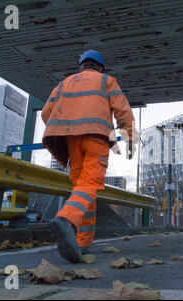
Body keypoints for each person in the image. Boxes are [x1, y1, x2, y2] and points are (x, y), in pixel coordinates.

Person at [42, 49, 138, 262]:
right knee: (90, 184)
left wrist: (63, 129)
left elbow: (45, 113)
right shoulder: (106, 81)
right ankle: (66, 219)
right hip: (95, 137)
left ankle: (82, 243)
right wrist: (130, 138)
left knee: (82, 189)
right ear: (100, 67)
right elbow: (123, 111)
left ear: (81, 66)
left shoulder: (64, 83)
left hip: (70, 141)